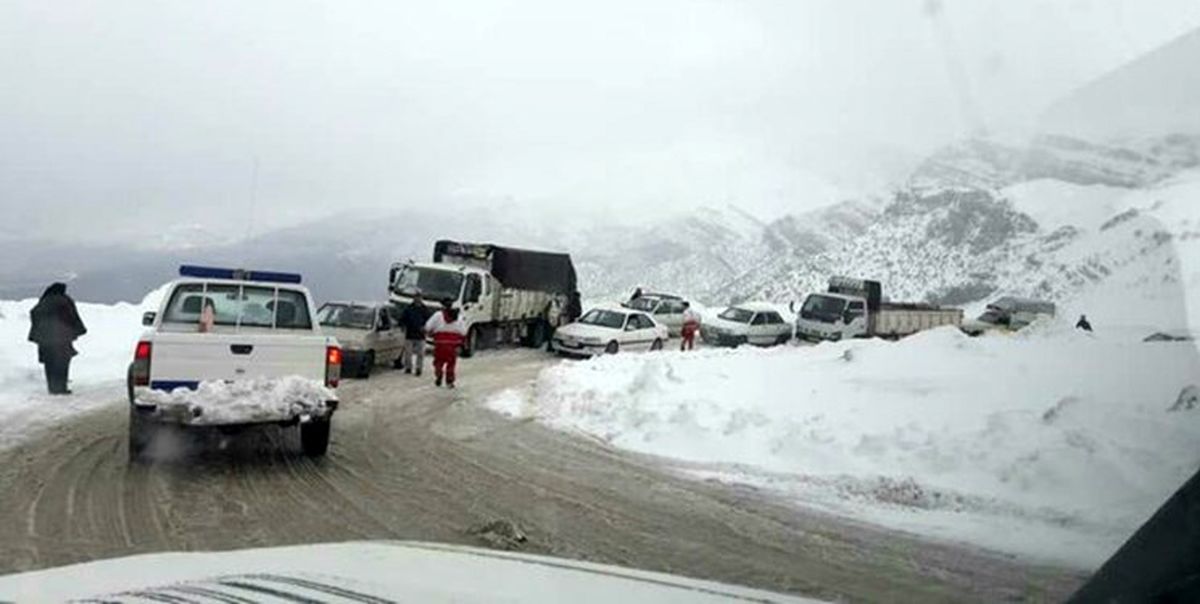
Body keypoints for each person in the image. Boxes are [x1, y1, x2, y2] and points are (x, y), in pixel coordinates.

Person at [27, 282, 87, 395]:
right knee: (62, 363)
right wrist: (77, 330)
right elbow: (71, 316)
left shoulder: (44, 300)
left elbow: (34, 313)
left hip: (45, 340)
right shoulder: (64, 300)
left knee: (49, 364)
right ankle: (61, 387)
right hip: (61, 339)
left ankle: (52, 388)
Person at [425, 299, 468, 388]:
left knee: (438, 362)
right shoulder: (458, 317)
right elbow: (463, 332)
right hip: (453, 345)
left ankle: (439, 374)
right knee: (451, 363)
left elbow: (428, 327)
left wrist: (430, 333)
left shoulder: (437, 315)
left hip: (440, 343)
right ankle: (449, 381)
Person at [398, 292, 430, 376]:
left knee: (421, 354)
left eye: (419, 297)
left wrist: (426, 328)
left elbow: (429, 321)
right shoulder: (408, 308)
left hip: (421, 335)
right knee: (408, 353)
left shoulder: (425, 309)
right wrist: (402, 326)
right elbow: (402, 319)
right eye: (416, 297)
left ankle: (419, 369)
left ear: (421, 298)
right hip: (410, 334)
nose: (417, 299)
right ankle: (408, 367)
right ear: (413, 298)